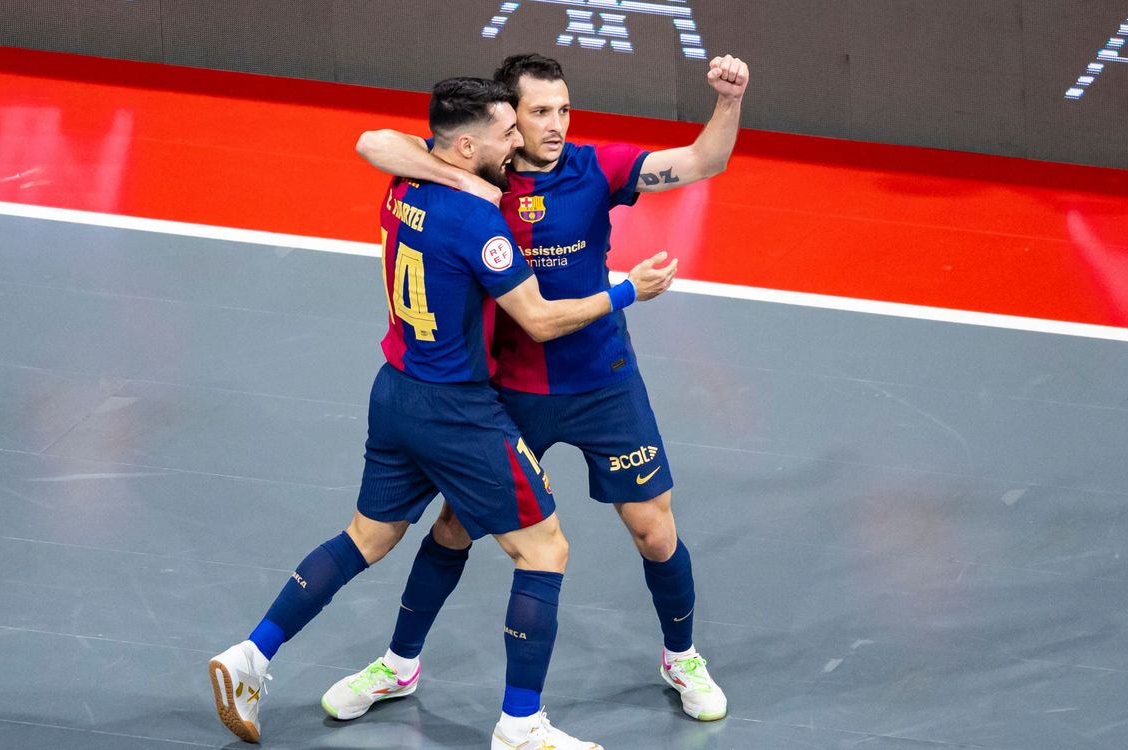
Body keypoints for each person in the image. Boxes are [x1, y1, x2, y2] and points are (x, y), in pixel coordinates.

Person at [206, 77, 677, 750]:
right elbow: (540, 321)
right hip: (457, 409)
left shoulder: (402, 187)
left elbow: (382, 144)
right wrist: (628, 290)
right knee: (544, 549)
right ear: (465, 147)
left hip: (395, 391)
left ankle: (251, 655)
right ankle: (521, 725)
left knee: (367, 538)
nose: (517, 143)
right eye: (506, 133)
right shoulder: (478, 222)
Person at [330, 52, 748, 725]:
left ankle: (682, 656)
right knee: (454, 527)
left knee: (653, 530)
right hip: (510, 390)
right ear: (508, 119)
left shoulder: (595, 168)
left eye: (564, 110)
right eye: (540, 112)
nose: (556, 125)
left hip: (604, 384)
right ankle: (399, 663)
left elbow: (704, 161)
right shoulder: (482, 175)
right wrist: (457, 177)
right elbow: (375, 143)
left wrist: (729, 100)